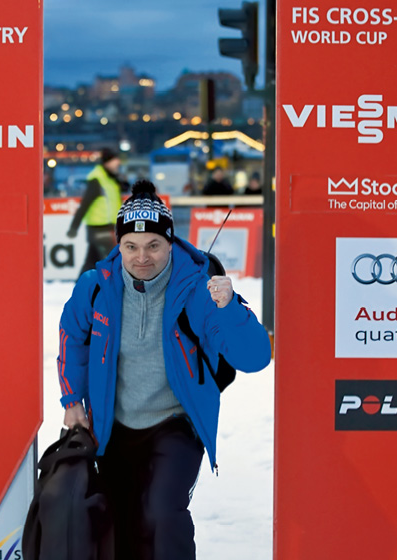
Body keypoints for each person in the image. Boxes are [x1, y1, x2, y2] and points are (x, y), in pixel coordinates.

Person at [56, 180, 271, 559]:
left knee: (161, 515)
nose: (143, 257)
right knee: (118, 523)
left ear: (170, 243)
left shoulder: (200, 290)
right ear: (118, 245)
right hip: (112, 427)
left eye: (154, 245)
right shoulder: (95, 287)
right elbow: (73, 337)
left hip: (175, 423)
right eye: (131, 247)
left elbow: (255, 358)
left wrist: (230, 308)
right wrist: (73, 399)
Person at [67, 148, 127, 276]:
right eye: (115, 160)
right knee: (114, 261)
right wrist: (74, 227)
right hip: (99, 228)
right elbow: (85, 204)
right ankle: (114, 291)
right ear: (107, 162)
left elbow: (123, 190)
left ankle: (80, 289)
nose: (118, 163)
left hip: (108, 227)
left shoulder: (110, 179)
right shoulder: (97, 180)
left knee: (91, 262)